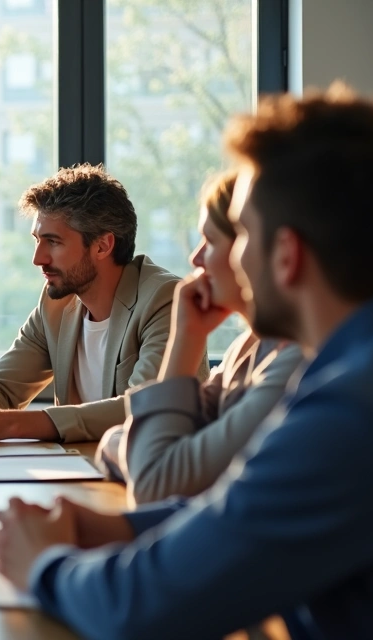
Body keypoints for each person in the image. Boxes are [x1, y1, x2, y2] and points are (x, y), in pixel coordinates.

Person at [0, 85, 373, 640]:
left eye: (242, 232)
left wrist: (41, 565)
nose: (214, 260)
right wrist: (116, 525)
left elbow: (141, 606)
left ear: (287, 255)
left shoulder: (351, 412)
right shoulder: (348, 371)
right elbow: (248, 511)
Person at [0, 164, 207, 444]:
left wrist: (9, 424)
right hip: (83, 471)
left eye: (53, 242)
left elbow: (142, 408)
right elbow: (4, 386)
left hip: (156, 476)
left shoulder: (166, 298)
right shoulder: (57, 303)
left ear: (102, 246)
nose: (38, 258)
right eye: (37, 240)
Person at [96, 170, 303, 504]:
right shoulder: (248, 346)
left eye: (211, 241)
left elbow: (155, 481)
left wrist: (186, 338)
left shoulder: (296, 366)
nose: (195, 259)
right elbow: (120, 442)